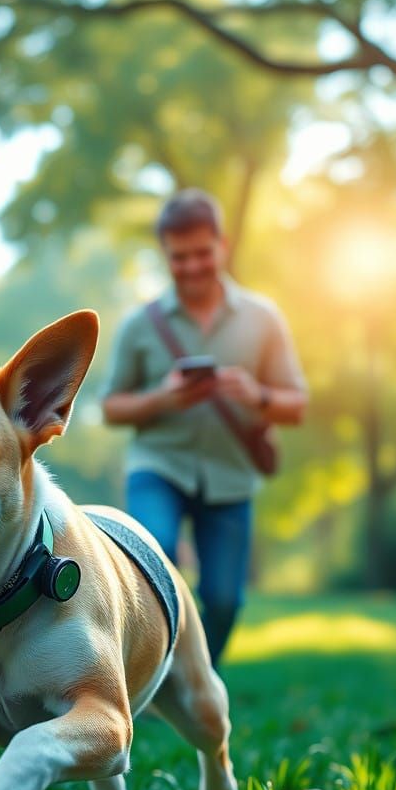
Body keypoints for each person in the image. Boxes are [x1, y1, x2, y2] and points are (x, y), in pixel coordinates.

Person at [101, 189, 308, 666]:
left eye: (202, 253)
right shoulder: (141, 324)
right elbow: (110, 406)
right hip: (159, 466)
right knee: (153, 560)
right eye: (179, 257)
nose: (192, 266)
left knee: (223, 599)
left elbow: (296, 404)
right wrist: (162, 398)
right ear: (165, 254)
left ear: (223, 245)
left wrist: (255, 395)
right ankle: (143, 677)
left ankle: (196, 683)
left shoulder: (263, 318)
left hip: (231, 474)